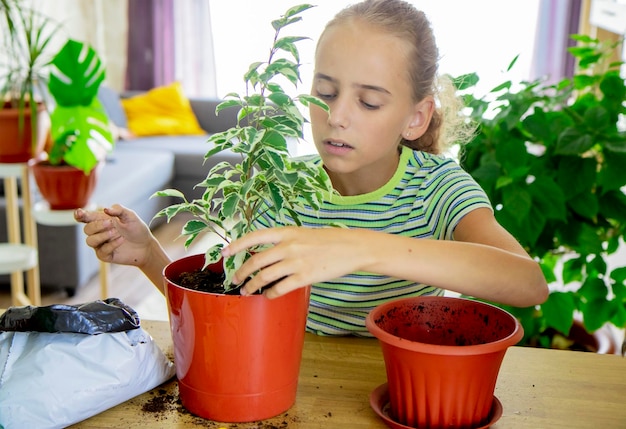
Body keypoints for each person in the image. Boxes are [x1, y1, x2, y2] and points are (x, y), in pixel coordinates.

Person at [75, 0, 548, 336]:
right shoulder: (279, 186)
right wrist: (149, 257)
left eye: (368, 101)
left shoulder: (437, 189)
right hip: (296, 384)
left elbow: (527, 282)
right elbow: (226, 315)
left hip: (397, 390)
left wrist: (359, 246)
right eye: (324, 92)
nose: (337, 115)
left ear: (415, 117)